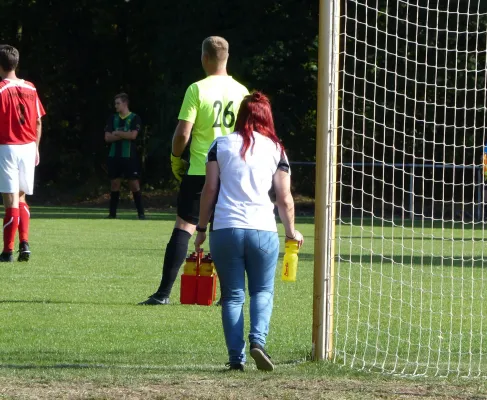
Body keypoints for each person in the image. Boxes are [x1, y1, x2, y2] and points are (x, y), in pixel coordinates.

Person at [194, 92, 304, 371]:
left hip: (226, 228)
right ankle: (258, 342)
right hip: (262, 229)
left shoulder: (219, 145)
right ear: (267, 117)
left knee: (232, 296)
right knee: (262, 291)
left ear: (241, 115)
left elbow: (209, 190)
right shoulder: (276, 149)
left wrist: (201, 228)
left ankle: (235, 359)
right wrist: (291, 231)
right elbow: (284, 197)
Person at [138, 36, 249, 305]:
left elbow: (182, 132)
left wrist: (176, 157)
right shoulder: (242, 91)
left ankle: (163, 293)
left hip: (200, 170)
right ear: (227, 57)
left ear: (204, 58)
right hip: (231, 172)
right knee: (226, 231)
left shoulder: (197, 89)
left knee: (184, 227)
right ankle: (228, 297)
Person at [0, 45, 45, 262]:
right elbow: (38, 120)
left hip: (7, 146)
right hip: (28, 146)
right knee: (21, 197)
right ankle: (24, 243)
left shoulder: (0, 89)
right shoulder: (31, 88)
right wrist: (36, 147)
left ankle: (7, 251)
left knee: (10, 201)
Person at [104, 93, 145, 219]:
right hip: (114, 156)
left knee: (134, 184)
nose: (115, 106)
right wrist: (123, 134)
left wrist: (117, 133)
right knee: (115, 184)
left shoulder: (134, 118)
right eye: (115, 103)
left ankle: (141, 213)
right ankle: (112, 214)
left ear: (125, 103)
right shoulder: (112, 118)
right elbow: (107, 137)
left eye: (118, 103)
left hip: (129, 156)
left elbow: (133, 136)